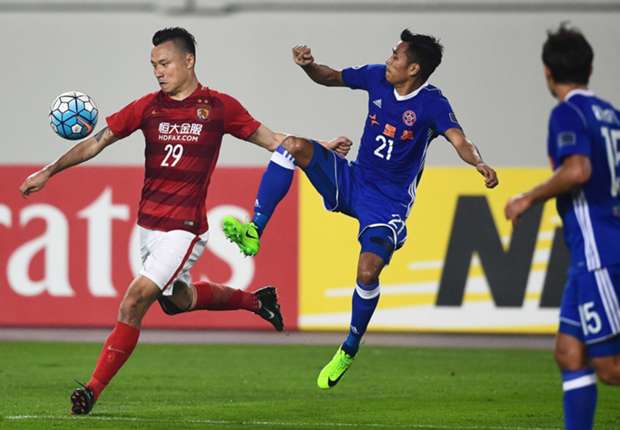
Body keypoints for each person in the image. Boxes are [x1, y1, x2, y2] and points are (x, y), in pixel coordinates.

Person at [19, 27, 351, 415]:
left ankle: (91, 390)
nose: (158, 72)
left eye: (165, 63)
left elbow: (268, 138)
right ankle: (257, 301)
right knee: (179, 301)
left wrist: (318, 147)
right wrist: (49, 170)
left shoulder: (219, 107)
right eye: (154, 66)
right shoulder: (148, 107)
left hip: (185, 230)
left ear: (188, 61)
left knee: (134, 301)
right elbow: (98, 141)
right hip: (148, 228)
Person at [223, 29, 498, 389]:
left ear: (413, 68)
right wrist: (308, 66)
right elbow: (330, 76)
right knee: (291, 146)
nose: (389, 59)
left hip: (388, 203)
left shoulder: (432, 104)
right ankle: (255, 229)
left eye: (396, 56)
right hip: (353, 178)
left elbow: (459, 139)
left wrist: (478, 163)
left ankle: (349, 347)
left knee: (368, 272)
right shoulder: (375, 77)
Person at [505, 24, 620, 430]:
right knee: (570, 352)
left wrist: (527, 198)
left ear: (547, 73)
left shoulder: (567, 113)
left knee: (609, 367)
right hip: (590, 251)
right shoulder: (611, 115)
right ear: (590, 66)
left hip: (598, 250)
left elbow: (579, 169)